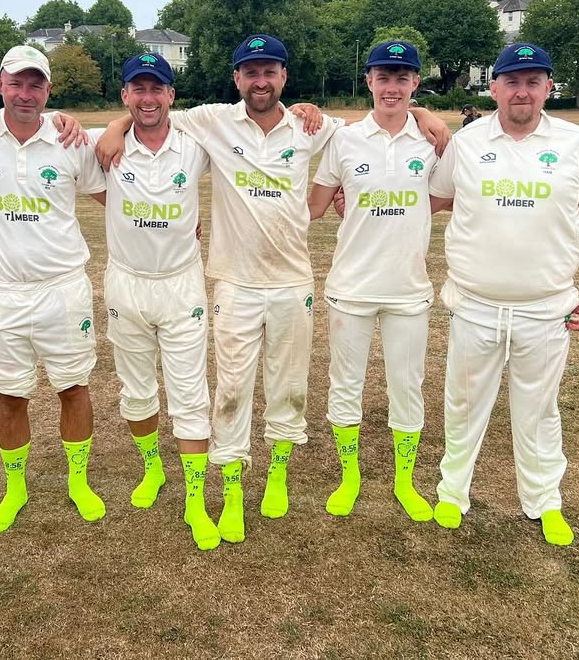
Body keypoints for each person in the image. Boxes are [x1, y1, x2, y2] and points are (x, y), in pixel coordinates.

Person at [93, 34, 452, 543]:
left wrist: (425, 116)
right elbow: (152, 111)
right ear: (236, 79)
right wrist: (118, 123)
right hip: (235, 282)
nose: (260, 81)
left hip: (291, 281)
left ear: (283, 77)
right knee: (233, 391)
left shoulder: (311, 126)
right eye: (250, 72)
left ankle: (277, 474)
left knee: (288, 387)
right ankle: (234, 490)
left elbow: (372, 127)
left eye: (270, 71)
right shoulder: (213, 121)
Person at [428, 42, 579, 546]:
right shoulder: (468, 143)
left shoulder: (575, 142)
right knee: (464, 405)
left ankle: (544, 502)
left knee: (539, 411)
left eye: (533, 81)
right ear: (494, 88)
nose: (522, 91)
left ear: (548, 87)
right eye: (512, 81)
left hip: (546, 308)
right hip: (475, 304)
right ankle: (452, 493)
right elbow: (433, 200)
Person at [0, 45, 108, 531]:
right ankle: (15, 488)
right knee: (11, 395)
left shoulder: (72, 139)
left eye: (35, 84)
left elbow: (116, 189)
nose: (26, 93)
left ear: (48, 90)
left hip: (64, 290)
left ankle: (77, 481)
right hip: (4, 293)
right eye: (16, 83)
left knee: (74, 387)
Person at [307, 40, 451, 521]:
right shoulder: (343, 140)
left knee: (406, 388)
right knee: (345, 386)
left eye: (402, 77)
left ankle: (405, 482)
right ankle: (350, 477)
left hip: (408, 289)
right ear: (368, 81)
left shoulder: (432, 143)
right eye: (383, 77)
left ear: (415, 83)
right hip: (351, 286)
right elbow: (314, 205)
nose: (392, 87)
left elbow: (440, 198)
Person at [88, 52, 219, 550]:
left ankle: (195, 499)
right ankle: (152, 469)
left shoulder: (195, 143)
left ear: (171, 95)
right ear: (125, 95)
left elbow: (245, 123)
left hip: (180, 284)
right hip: (127, 283)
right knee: (137, 391)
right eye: (136, 90)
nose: (147, 98)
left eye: (156, 89)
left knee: (189, 395)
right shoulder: (107, 149)